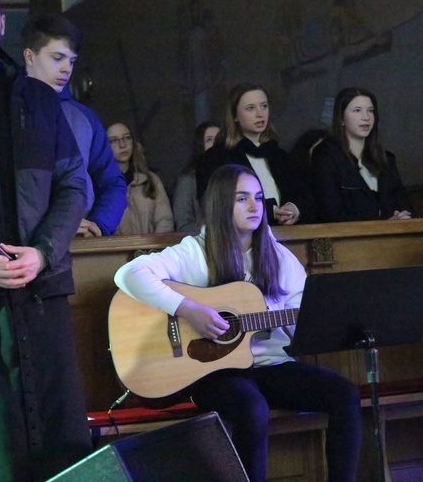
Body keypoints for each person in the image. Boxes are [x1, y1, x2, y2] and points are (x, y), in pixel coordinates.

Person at [114, 164, 362, 481]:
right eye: (242, 198)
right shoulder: (196, 252)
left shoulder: (280, 257)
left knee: (345, 394)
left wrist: (302, 325)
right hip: (214, 373)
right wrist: (189, 310)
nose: (254, 207)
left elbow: (301, 315)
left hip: (272, 368)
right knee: (251, 408)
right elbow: (127, 274)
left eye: (258, 198)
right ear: (221, 204)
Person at [0, 0, 92, 479]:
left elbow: (75, 185)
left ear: (1, 24)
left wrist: (43, 251)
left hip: (41, 289)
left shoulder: (37, 97)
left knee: (61, 437)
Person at [21, 13, 126, 238]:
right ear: (30, 57)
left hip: (80, 240)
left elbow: (113, 182)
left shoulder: (83, 117)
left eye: (71, 60)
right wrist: (60, 225)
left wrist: (99, 223)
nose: (66, 68)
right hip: (25, 241)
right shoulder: (6, 111)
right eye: (57, 58)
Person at [196, 82, 315, 226]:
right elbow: (215, 206)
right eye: (250, 108)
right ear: (235, 116)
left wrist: (293, 208)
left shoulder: (281, 157)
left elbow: (304, 196)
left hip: (286, 239)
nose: (260, 114)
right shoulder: (215, 159)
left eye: (264, 106)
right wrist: (269, 211)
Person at [311, 87, 413, 222]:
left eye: (370, 111)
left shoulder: (386, 159)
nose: (366, 117)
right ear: (341, 118)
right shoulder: (326, 155)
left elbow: (404, 205)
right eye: (357, 110)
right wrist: (383, 225)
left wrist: (403, 218)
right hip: (351, 240)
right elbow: (330, 212)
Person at [107, 121, 174, 235]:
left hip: (152, 251)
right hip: (116, 252)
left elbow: (165, 221)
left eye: (127, 138)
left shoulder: (151, 180)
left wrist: (153, 250)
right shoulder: (98, 185)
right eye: (114, 140)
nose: (122, 144)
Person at [173, 121, 220, 232]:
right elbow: (184, 225)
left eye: (219, 138)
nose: (216, 143)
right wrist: (216, 233)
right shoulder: (188, 180)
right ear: (200, 145)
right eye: (209, 139)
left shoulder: (237, 177)